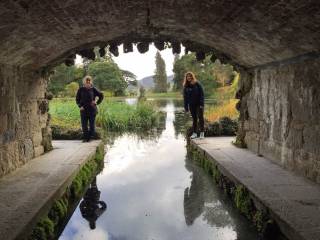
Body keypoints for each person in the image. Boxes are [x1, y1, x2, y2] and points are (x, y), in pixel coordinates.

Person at [76, 76, 104, 142]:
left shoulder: (93, 89)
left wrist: (96, 102)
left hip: (92, 110)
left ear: (90, 82)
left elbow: (101, 95)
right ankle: (85, 138)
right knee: (84, 126)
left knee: (92, 126)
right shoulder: (81, 89)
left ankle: (90, 138)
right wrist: (80, 106)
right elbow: (77, 99)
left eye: (89, 81)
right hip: (83, 110)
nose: (88, 82)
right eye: (86, 81)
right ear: (84, 82)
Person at [183, 72, 205, 139]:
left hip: (199, 104)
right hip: (191, 105)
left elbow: (202, 94)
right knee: (194, 119)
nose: (189, 77)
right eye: (187, 77)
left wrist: (201, 103)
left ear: (192, 77)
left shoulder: (197, 84)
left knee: (200, 117)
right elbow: (185, 98)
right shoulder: (185, 86)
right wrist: (186, 107)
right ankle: (195, 133)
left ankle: (202, 133)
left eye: (190, 76)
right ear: (186, 78)